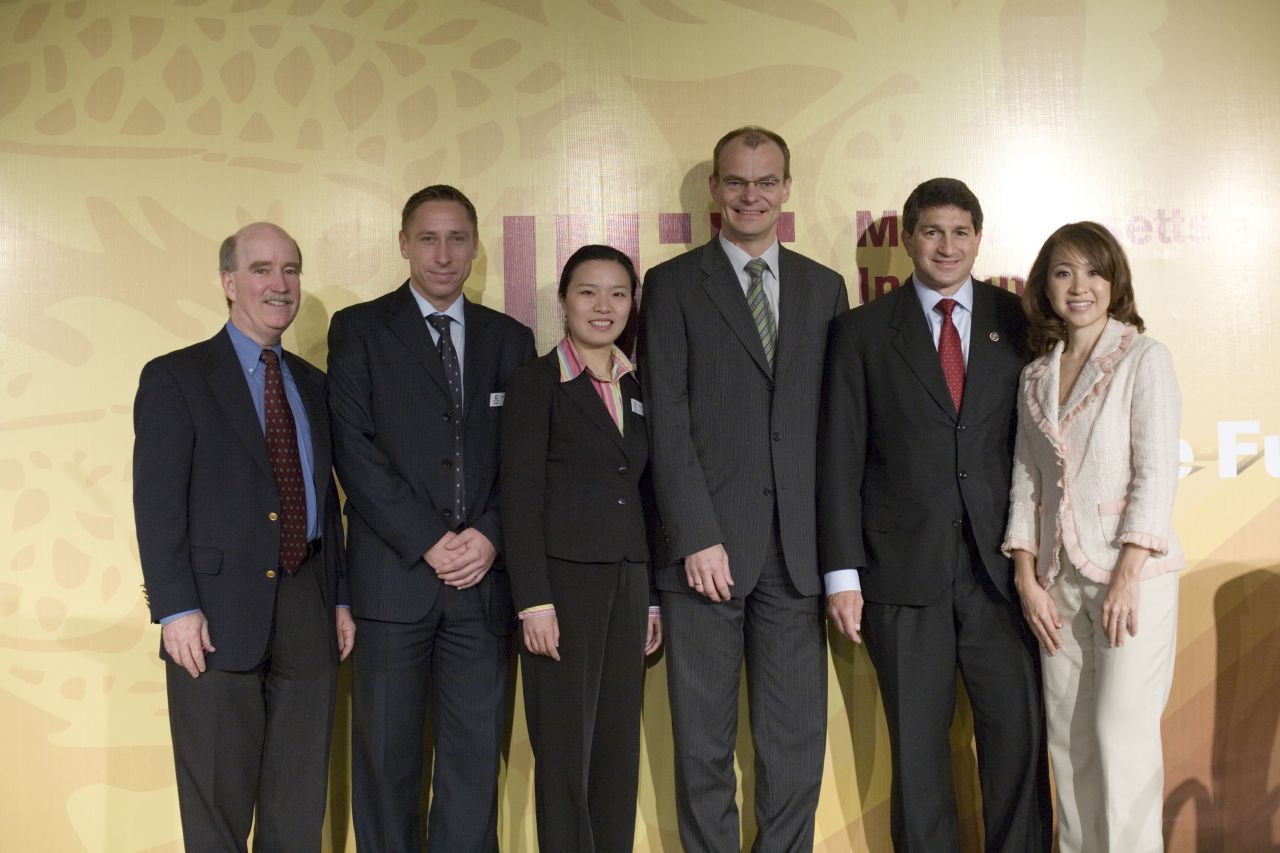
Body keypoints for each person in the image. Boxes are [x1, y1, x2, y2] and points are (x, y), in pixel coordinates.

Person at [818, 178, 1050, 851]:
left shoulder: (1020, 321)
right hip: (900, 574)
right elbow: (839, 456)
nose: (946, 246)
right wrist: (842, 574)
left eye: (960, 232)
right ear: (908, 239)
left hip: (1003, 574)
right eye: (931, 232)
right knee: (918, 758)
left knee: (1016, 746)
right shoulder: (860, 333)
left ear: (978, 237)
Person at [639, 125, 848, 851]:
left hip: (795, 556)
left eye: (765, 181)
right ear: (714, 191)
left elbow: (834, 430)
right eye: (736, 181)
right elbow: (665, 421)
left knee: (794, 751)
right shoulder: (669, 286)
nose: (750, 195)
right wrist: (696, 534)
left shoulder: (826, 289)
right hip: (705, 557)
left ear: (787, 189)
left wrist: (834, 553)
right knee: (702, 748)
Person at [133, 222, 355, 852]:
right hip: (213, 615)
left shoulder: (314, 384)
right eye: (262, 269)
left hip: (307, 604)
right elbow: (156, 505)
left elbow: (329, 502)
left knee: (298, 804)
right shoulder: (176, 377)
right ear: (229, 283)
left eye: (290, 270)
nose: (279, 285)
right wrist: (175, 608)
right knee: (217, 810)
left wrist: (337, 598)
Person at [327, 185, 535, 851]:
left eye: (457, 239)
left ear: (476, 245)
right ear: (403, 244)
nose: (443, 254)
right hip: (394, 584)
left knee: (473, 767)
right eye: (428, 238)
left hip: (483, 590)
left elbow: (526, 460)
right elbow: (353, 450)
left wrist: (492, 535)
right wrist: (429, 540)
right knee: (386, 765)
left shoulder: (511, 338)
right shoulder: (358, 329)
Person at [1004, 221, 1184, 853]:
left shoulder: (1143, 357)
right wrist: (1027, 577)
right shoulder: (1035, 376)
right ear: (1045, 285)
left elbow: (1156, 472)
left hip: (1129, 581)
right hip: (1057, 585)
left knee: (1120, 738)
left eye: (1093, 272)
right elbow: (1027, 483)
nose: (1078, 286)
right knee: (1069, 740)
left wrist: (1128, 574)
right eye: (1062, 272)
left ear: (1115, 282)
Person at [501, 244, 663, 852]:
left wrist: (649, 598)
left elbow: (644, 494)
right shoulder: (536, 382)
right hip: (562, 591)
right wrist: (533, 602)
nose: (604, 306)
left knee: (617, 750)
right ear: (564, 301)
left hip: (626, 585)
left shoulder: (636, 387)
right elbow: (518, 498)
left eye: (618, 293)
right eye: (588, 292)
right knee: (566, 753)